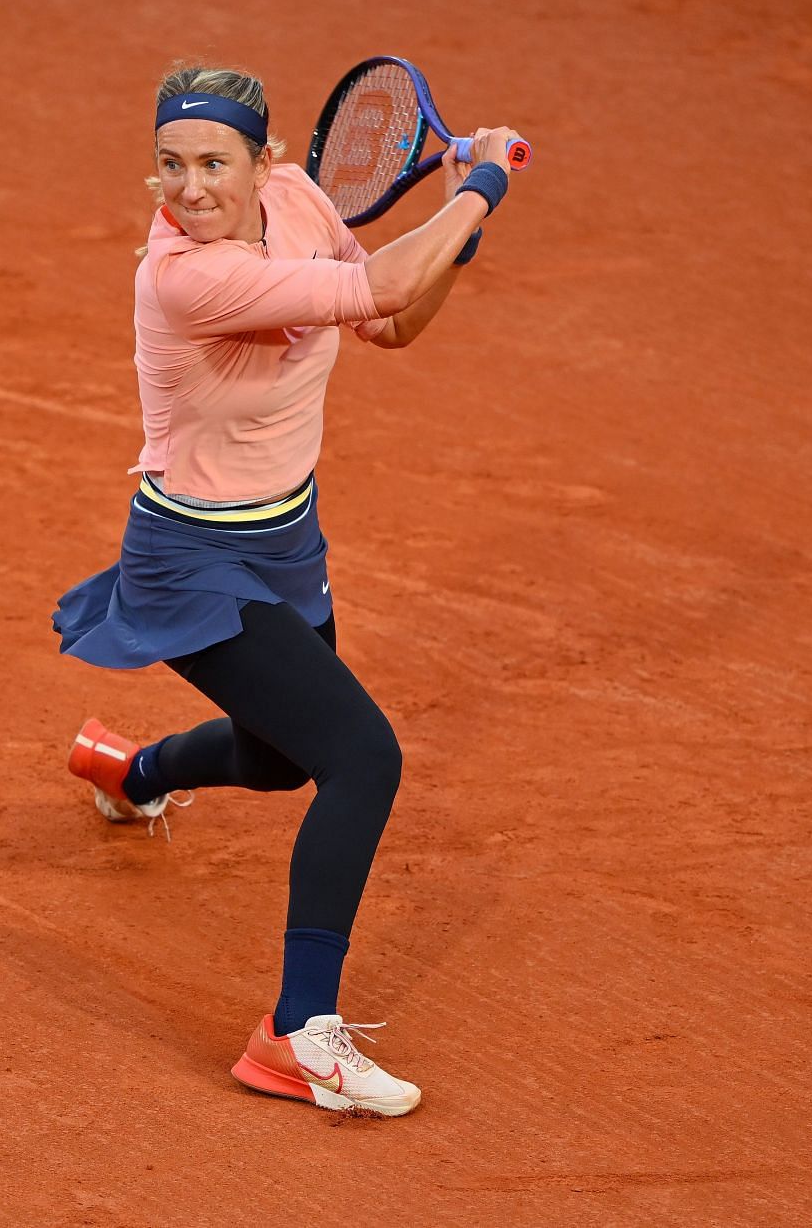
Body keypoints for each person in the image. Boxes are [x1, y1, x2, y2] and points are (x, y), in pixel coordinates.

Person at [53, 62, 521, 1117]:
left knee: (275, 761)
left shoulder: (304, 203)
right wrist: (478, 192)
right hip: (190, 560)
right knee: (363, 757)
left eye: (212, 163)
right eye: (170, 166)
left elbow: (393, 323)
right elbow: (390, 284)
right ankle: (295, 1034)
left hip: (284, 541)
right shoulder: (183, 277)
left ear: (263, 163)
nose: (190, 188)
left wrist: (457, 236)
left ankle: (131, 772)